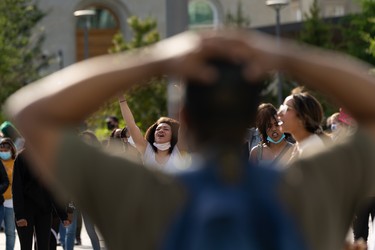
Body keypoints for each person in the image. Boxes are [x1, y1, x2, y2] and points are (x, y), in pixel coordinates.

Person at [4, 30, 375, 250]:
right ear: (251, 117)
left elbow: (31, 111)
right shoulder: (312, 185)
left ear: (184, 119)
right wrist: (284, 54)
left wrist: (157, 60)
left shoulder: (138, 193)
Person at [12, 150, 70, 250]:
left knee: (44, 246)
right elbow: (17, 188)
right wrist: (20, 215)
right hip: (25, 212)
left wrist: (63, 215)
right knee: (26, 246)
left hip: (44, 211)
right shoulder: (22, 158)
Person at [118, 95, 189, 172]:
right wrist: (122, 100)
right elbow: (131, 124)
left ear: (173, 135)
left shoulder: (179, 149)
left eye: (166, 129)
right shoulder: (146, 150)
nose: (161, 130)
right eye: (158, 129)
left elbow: (184, 123)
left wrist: (183, 96)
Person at [277, 90, 329, 160]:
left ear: (303, 118)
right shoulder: (300, 145)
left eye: (286, 109)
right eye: (282, 108)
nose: (279, 113)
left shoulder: (313, 148)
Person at [250, 103, 294, 167]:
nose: (274, 129)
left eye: (277, 124)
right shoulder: (256, 152)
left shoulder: (294, 150)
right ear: (263, 129)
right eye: (269, 126)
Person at [0, 138, 17, 250]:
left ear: (11, 149)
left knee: (10, 231)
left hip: (11, 202)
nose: (3, 151)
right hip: (0, 200)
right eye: (1, 149)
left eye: (6, 149)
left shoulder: (16, 162)